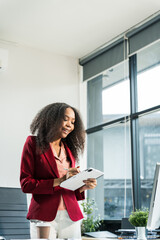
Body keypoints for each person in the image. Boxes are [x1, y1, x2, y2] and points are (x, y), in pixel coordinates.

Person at [20, 102, 97, 239]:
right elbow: (26, 184)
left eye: (73, 122)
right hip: (44, 217)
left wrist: (83, 186)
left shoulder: (69, 151)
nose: (70, 125)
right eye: (66, 119)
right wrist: (60, 180)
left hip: (70, 215)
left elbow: (68, 188)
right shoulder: (33, 143)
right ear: (52, 119)